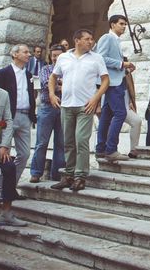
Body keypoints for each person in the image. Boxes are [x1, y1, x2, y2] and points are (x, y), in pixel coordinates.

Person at [49, 29, 109, 192]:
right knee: (68, 142)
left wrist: (96, 98)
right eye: (87, 39)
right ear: (77, 40)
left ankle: (80, 177)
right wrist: (52, 94)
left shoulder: (97, 58)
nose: (91, 41)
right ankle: (68, 175)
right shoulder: (63, 57)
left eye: (92, 39)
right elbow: (53, 77)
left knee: (81, 140)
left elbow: (105, 80)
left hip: (85, 106)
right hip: (66, 105)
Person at [0, 44, 36, 202]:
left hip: (25, 117)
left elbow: (30, 94)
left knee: (24, 154)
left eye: (28, 52)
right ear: (15, 54)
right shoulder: (3, 73)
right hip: (7, 118)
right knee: (2, 155)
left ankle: (9, 188)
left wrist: (33, 116)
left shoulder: (29, 74)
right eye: (25, 52)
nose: (29, 54)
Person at [0, 59, 27, 226]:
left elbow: (8, 121)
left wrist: (4, 146)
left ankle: (6, 213)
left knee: (9, 167)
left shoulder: (3, 94)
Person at [95, 15, 136, 162]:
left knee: (106, 116)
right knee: (120, 113)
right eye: (121, 24)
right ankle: (111, 149)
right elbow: (100, 58)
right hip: (112, 83)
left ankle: (100, 149)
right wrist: (122, 64)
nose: (124, 27)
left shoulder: (116, 40)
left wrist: (125, 69)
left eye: (125, 24)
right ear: (112, 25)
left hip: (115, 81)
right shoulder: (108, 38)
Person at [29, 44, 66, 183]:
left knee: (60, 143)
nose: (56, 58)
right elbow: (45, 83)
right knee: (41, 142)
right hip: (47, 108)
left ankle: (57, 174)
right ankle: (36, 173)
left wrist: (58, 83)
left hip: (63, 108)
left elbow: (71, 84)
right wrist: (62, 84)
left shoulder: (68, 70)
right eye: (54, 55)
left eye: (59, 55)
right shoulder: (46, 69)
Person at [122, 62, 142, 158]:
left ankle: (133, 150)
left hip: (125, 106)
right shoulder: (113, 72)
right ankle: (109, 149)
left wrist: (130, 101)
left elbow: (130, 90)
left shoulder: (128, 74)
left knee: (137, 121)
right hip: (111, 108)